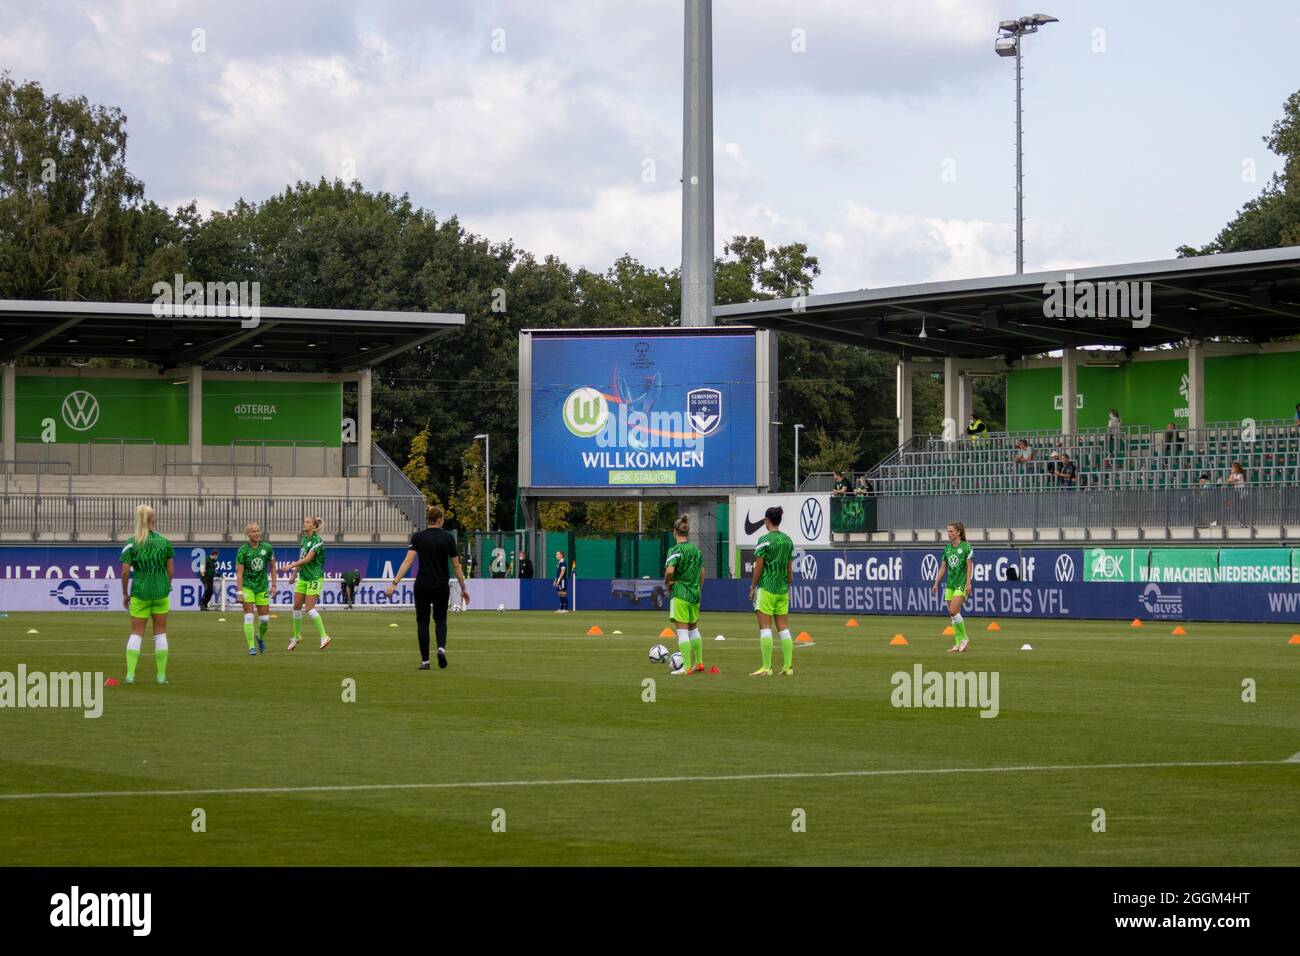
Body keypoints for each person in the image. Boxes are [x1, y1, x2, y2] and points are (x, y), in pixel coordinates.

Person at [386, 505, 469, 670]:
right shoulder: (448, 539)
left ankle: (425, 661)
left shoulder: (418, 537)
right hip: (440, 585)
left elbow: (408, 562)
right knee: (440, 620)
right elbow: (456, 566)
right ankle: (441, 648)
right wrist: (463, 588)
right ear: (439, 520)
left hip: (422, 584)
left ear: (428, 521)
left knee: (422, 623)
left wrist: (394, 583)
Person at [120, 504, 174, 685]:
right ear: (153, 519)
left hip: (140, 592)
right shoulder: (164, 541)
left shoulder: (131, 542)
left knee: (136, 633)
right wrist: (166, 587)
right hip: (160, 592)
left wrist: (125, 594)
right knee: (160, 634)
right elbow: (171, 570)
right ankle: (160, 676)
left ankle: (130, 674)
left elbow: (125, 571)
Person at [748, 506, 795, 677]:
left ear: (767, 521)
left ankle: (767, 667)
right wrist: (789, 581)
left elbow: (759, 566)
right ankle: (788, 667)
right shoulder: (788, 540)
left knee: (765, 629)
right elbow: (790, 567)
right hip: (782, 589)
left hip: (767, 588)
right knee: (784, 628)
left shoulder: (764, 540)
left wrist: (753, 587)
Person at [281, 516, 331, 650]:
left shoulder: (318, 541)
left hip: (314, 577)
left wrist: (290, 566)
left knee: (309, 608)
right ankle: (297, 636)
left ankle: (324, 636)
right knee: (296, 606)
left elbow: (308, 559)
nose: (304, 523)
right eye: (304, 521)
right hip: (303, 577)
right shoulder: (303, 540)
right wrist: (294, 574)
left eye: (308, 522)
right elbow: (302, 558)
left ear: (314, 526)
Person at [664, 513, 704, 675]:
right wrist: (698, 589)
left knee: (682, 631)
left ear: (675, 532)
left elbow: (670, 570)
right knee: (693, 629)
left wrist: (667, 582)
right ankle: (699, 663)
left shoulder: (675, 550)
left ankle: (686, 667)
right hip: (695, 594)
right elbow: (702, 573)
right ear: (687, 533)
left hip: (680, 593)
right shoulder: (696, 550)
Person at [930, 521, 974, 654]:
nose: (949, 534)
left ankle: (965, 638)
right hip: (950, 584)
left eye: (951, 531)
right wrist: (936, 582)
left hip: (961, 584)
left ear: (958, 532)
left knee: (953, 611)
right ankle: (958, 643)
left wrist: (968, 583)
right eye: (948, 531)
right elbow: (943, 567)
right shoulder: (947, 549)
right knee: (953, 615)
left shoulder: (966, 547)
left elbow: (969, 567)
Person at [234, 523, 275, 655]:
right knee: (249, 617)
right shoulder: (242, 550)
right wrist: (239, 592)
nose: (257, 533)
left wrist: (274, 585)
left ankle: (260, 638)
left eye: (258, 531)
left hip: (262, 587)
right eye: (253, 532)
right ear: (248, 534)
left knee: (264, 620)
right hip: (247, 587)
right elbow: (239, 572)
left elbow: (273, 566)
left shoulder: (267, 548)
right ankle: (251, 646)